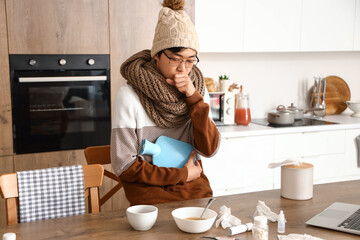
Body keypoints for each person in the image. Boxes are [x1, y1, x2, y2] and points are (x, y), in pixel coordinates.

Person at [111, 0, 220, 206]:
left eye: (190, 60)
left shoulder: (195, 91)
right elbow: (124, 166)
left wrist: (193, 97)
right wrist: (181, 175)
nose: (183, 69)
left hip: (195, 190)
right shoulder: (129, 96)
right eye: (176, 59)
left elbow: (209, 149)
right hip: (151, 197)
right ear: (157, 55)